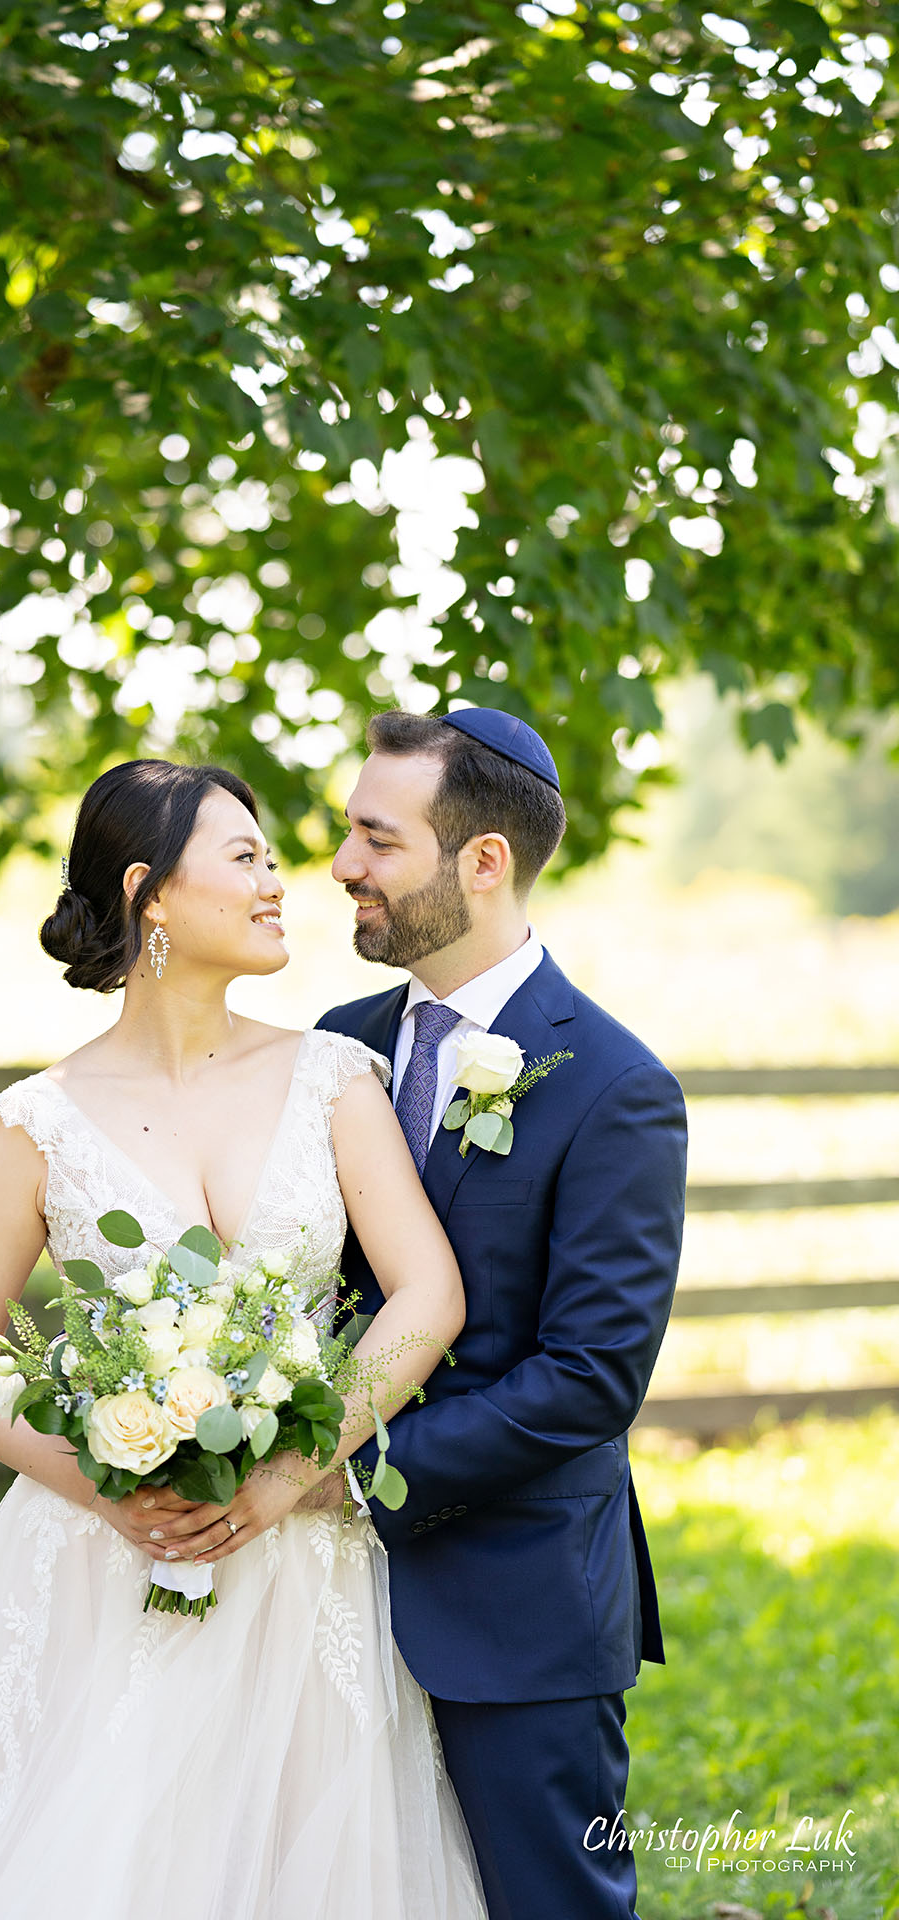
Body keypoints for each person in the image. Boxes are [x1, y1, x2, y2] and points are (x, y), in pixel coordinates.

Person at [0, 757, 487, 1920]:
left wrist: (292, 1473)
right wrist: (106, 1485)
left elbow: (427, 1295)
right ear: (150, 893)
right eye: (244, 859)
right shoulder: (32, 1127)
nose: (280, 883)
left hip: (300, 1556)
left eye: (271, 860)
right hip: (97, 1558)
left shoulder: (333, 1079)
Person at [318, 707, 689, 1920]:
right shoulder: (337, 1050)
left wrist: (354, 1469)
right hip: (314, 1595)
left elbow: (589, 1375)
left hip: (516, 1597)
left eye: (377, 838)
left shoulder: (616, 1087)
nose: (341, 867)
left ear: (480, 862)